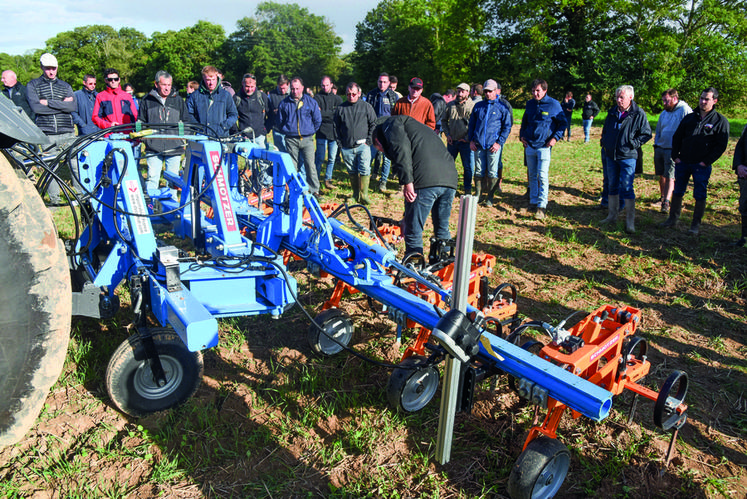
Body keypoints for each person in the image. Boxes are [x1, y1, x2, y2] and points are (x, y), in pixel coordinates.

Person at [372, 115, 458, 257]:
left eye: (380, 149)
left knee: (413, 230)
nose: (383, 152)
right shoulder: (415, 127)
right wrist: (406, 217)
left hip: (426, 179)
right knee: (442, 228)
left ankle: (413, 267)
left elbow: (401, 150)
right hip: (449, 179)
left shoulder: (391, 124)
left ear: (378, 140)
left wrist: (407, 182)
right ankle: (444, 265)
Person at [661, 87, 730, 235]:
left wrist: (706, 161)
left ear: (714, 101)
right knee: (678, 191)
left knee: (700, 194)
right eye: (701, 98)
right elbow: (677, 137)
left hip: (701, 165)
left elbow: (721, 146)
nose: (703, 101)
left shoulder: (720, 121)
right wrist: (675, 156)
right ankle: (672, 219)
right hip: (683, 162)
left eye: (707, 99)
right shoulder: (690, 118)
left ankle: (695, 225)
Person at [26, 53, 78, 204]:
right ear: (42, 67)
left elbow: (72, 106)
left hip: (67, 130)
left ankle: (81, 196)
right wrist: (62, 105)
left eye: (54, 68)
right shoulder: (33, 85)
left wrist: (47, 102)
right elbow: (36, 108)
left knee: (74, 164)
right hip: (47, 132)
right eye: (48, 68)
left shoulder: (65, 86)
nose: (51, 72)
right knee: (50, 167)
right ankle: (54, 200)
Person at [599, 85, 652, 233]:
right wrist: (605, 142)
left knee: (627, 187)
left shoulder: (638, 114)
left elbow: (646, 134)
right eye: (617, 97)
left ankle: (629, 222)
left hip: (627, 157)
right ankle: (612, 215)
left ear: (630, 97)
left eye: (621, 97)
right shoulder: (612, 112)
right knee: (612, 186)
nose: (618, 100)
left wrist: (632, 144)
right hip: (611, 155)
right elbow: (606, 129)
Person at [139, 70, 193, 197]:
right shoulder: (147, 100)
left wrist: (181, 139)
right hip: (153, 148)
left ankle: (172, 210)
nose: (167, 88)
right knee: (152, 178)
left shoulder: (178, 100)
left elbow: (186, 122)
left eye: (169, 85)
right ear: (156, 84)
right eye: (164, 85)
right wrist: (146, 139)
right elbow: (141, 122)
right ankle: (150, 207)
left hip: (174, 147)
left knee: (172, 181)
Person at [519, 79, 566, 220]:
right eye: (533, 90)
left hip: (544, 146)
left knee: (542, 175)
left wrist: (555, 138)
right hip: (530, 145)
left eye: (538, 90)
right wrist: (522, 136)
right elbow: (524, 121)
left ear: (545, 90)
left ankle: (542, 206)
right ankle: (533, 202)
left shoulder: (554, 104)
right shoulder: (530, 104)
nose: (535, 93)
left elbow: (563, 123)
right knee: (532, 175)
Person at [468, 79, 511, 207]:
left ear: (495, 91)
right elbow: (471, 125)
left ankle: (490, 197)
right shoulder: (478, 106)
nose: (487, 94)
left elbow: (507, 127)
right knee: (479, 170)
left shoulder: (502, 107)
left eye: (490, 91)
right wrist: (471, 140)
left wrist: (499, 142)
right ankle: (478, 194)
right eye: (485, 91)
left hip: (493, 145)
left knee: (493, 171)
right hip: (479, 144)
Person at [277, 77, 322, 196]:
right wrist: (288, 130)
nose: (295, 91)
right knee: (292, 167)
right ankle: (294, 189)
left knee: (310, 165)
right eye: (292, 89)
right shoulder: (284, 103)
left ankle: (314, 190)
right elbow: (280, 121)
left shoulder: (311, 102)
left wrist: (310, 131)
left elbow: (317, 120)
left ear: (302, 88)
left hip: (307, 139)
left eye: (297, 88)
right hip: (291, 139)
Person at [333, 82, 377, 204]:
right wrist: (340, 144)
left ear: (358, 93)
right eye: (348, 94)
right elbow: (335, 127)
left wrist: (369, 141)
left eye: (353, 94)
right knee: (352, 171)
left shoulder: (366, 107)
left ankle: (364, 196)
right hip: (346, 147)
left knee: (364, 169)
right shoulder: (341, 108)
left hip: (363, 146)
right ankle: (355, 194)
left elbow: (373, 123)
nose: (351, 96)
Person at [652, 89, 692, 213]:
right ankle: (662, 196)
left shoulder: (685, 110)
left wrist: (681, 149)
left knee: (670, 175)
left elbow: (689, 131)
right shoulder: (664, 113)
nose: (664, 103)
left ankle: (667, 202)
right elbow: (658, 130)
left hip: (673, 149)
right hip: (660, 147)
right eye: (663, 100)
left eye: (666, 100)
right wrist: (656, 144)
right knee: (661, 174)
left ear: (674, 99)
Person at [366, 72, 400, 192]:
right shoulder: (371, 95)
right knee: (369, 157)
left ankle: (383, 182)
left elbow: (396, 115)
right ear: (377, 82)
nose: (382, 84)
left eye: (385, 82)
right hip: (373, 131)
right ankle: (366, 181)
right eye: (380, 81)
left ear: (389, 83)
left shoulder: (394, 96)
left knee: (387, 158)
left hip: (387, 131)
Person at [186, 65, 238, 137]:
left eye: (213, 79)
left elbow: (234, 115)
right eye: (208, 80)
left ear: (217, 78)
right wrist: (198, 127)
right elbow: (188, 115)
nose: (211, 83)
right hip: (202, 137)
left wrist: (223, 127)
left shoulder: (226, 95)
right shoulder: (195, 96)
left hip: (221, 137)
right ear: (203, 78)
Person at [442, 82, 475, 194]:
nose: (460, 93)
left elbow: (474, 125)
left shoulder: (472, 106)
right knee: (448, 165)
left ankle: (467, 189)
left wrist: (467, 138)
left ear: (468, 92)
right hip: (452, 141)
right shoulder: (450, 105)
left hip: (466, 142)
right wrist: (448, 135)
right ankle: (450, 187)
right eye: (458, 91)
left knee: (468, 167)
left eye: (462, 91)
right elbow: (443, 121)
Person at [314, 76, 342, 190]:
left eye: (327, 85)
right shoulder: (316, 98)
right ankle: (315, 180)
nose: (325, 87)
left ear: (331, 85)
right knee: (319, 158)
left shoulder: (338, 99)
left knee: (332, 158)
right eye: (323, 85)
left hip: (334, 133)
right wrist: (330, 114)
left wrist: (324, 114)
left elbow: (338, 115)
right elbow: (317, 115)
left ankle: (328, 179)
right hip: (321, 132)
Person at [234, 73, 268, 148]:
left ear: (255, 85)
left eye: (252, 87)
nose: (249, 89)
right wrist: (236, 132)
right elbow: (231, 116)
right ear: (242, 84)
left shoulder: (262, 97)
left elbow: (271, 115)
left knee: (262, 159)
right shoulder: (237, 98)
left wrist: (265, 130)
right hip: (244, 137)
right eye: (247, 86)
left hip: (260, 136)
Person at [266, 74, 290, 152]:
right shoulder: (271, 95)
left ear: (288, 84)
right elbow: (268, 112)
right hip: (277, 129)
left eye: (284, 88)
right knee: (280, 153)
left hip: (290, 130)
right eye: (280, 88)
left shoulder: (293, 94)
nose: (282, 91)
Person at [733, 125, 747, 246]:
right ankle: (744, 239)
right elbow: (740, 147)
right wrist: (739, 165)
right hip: (745, 174)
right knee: (744, 206)